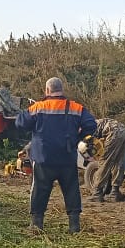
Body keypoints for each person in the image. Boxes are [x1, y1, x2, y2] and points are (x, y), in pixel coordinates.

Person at [16, 77, 97, 233]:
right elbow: (91, 125)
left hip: (43, 159)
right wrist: (79, 138)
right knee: (71, 190)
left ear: (47, 90)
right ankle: (74, 227)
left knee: (39, 190)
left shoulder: (38, 107)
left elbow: (20, 123)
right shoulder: (76, 108)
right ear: (62, 90)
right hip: (67, 158)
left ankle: (36, 226)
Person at [87, 117, 125, 202]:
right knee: (118, 162)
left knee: (104, 162)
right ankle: (115, 193)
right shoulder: (96, 122)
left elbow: (93, 144)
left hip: (113, 133)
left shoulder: (87, 127)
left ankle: (97, 193)